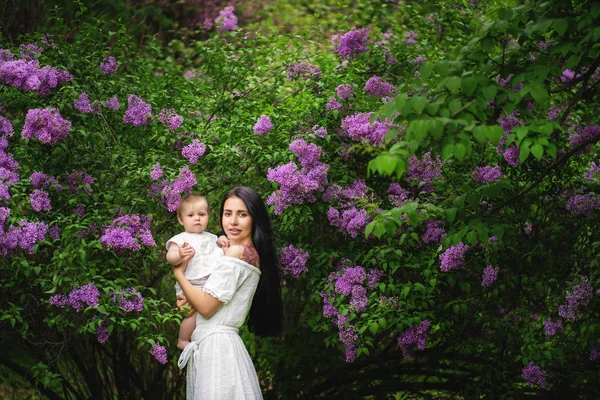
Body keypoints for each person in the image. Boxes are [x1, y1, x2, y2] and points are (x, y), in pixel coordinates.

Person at [173, 187, 284, 399]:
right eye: (227, 213)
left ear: (254, 218)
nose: (232, 222)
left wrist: (179, 275)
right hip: (217, 345)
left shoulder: (237, 253)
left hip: (218, 350)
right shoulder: (245, 253)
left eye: (242, 214)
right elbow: (203, 304)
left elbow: (206, 307)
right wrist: (187, 303)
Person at [166, 194, 227, 350]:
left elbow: (219, 252)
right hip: (191, 284)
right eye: (191, 215)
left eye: (202, 214)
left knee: (207, 313)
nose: (197, 219)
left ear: (208, 216)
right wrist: (179, 254)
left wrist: (220, 241)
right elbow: (170, 257)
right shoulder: (180, 239)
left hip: (209, 284)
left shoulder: (212, 237)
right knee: (191, 314)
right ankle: (182, 339)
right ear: (181, 220)